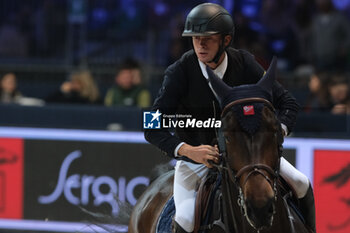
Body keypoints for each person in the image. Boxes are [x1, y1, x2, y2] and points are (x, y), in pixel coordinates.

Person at [144, 3, 316, 233]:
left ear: (225, 40)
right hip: (197, 162)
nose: (200, 45)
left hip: (249, 154)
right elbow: (151, 126)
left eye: (208, 38)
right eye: (196, 38)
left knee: (301, 182)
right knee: (184, 218)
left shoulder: (244, 63)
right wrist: (187, 150)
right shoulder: (179, 72)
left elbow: (288, 104)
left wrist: (277, 132)